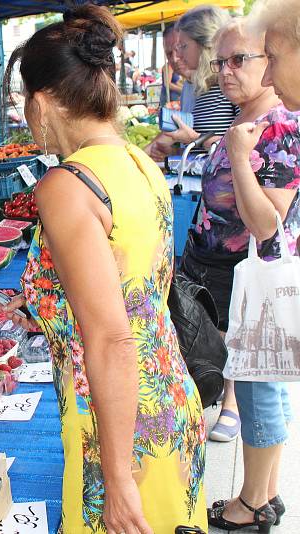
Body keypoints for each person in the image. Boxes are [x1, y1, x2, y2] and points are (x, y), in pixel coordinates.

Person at [1, 6, 206, 533]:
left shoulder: (66, 187)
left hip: (116, 425)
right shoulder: (139, 163)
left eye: (24, 102)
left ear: (42, 103)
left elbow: (112, 337)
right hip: (167, 397)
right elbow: (132, 284)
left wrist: (116, 478)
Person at [204, 8, 300, 531]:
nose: (226, 71)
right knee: (269, 386)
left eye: (239, 59)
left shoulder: (278, 125)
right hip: (253, 278)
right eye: (219, 62)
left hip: (261, 279)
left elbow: (266, 225)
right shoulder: (255, 119)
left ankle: (250, 507)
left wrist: (240, 157)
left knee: (260, 391)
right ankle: (265, 494)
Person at [146, 6, 238, 161]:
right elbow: (202, 154)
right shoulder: (199, 87)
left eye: (183, 46)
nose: (178, 56)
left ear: (204, 43)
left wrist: (194, 139)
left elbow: (247, 150)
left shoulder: (231, 85)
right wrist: (175, 152)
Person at [159, 25, 183, 107]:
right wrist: (181, 90)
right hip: (168, 97)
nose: (174, 58)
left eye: (178, 50)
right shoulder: (168, 66)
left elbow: (175, 82)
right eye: (169, 54)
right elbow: (167, 83)